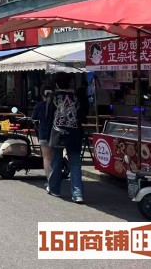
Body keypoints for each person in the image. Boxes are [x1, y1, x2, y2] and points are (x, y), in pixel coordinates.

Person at [46, 73, 86, 204]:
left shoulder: (53, 97)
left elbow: (48, 118)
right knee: (75, 165)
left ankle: (54, 189)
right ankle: (77, 194)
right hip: (74, 135)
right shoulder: (76, 98)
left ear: (57, 84)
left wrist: (47, 136)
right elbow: (82, 117)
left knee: (56, 163)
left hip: (57, 134)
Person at [31, 85, 53, 182]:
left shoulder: (39, 105)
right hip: (55, 135)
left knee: (46, 157)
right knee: (55, 158)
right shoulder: (56, 105)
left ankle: (50, 181)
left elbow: (34, 118)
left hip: (43, 134)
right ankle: (55, 180)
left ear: (42, 94)